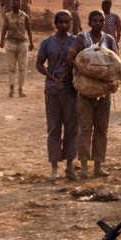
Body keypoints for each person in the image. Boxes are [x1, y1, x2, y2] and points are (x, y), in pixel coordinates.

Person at [66, 9, 118, 179]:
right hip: (85, 92)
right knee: (85, 128)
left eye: (100, 21)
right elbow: (70, 58)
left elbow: (116, 63)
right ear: (89, 22)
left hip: (103, 92)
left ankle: (98, 166)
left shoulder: (109, 40)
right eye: (94, 21)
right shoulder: (82, 38)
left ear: (104, 23)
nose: (97, 23)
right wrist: (83, 69)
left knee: (101, 129)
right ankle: (84, 167)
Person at [36, 11, 79, 182]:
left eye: (67, 22)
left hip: (70, 90)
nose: (63, 25)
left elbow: (81, 61)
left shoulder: (75, 41)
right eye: (60, 22)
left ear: (70, 23)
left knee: (71, 129)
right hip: (52, 90)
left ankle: (69, 166)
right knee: (54, 129)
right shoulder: (47, 42)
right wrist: (51, 76)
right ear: (55, 23)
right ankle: (54, 167)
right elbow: (39, 64)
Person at [0, 0, 34, 97]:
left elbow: (29, 30)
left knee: (22, 67)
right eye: (14, 4)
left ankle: (20, 89)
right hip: (10, 43)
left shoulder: (25, 16)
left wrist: (31, 42)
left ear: (21, 5)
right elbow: (4, 29)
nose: (15, 5)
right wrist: (1, 41)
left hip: (22, 43)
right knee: (11, 68)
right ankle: (11, 89)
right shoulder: (7, 16)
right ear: (11, 5)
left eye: (18, 4)